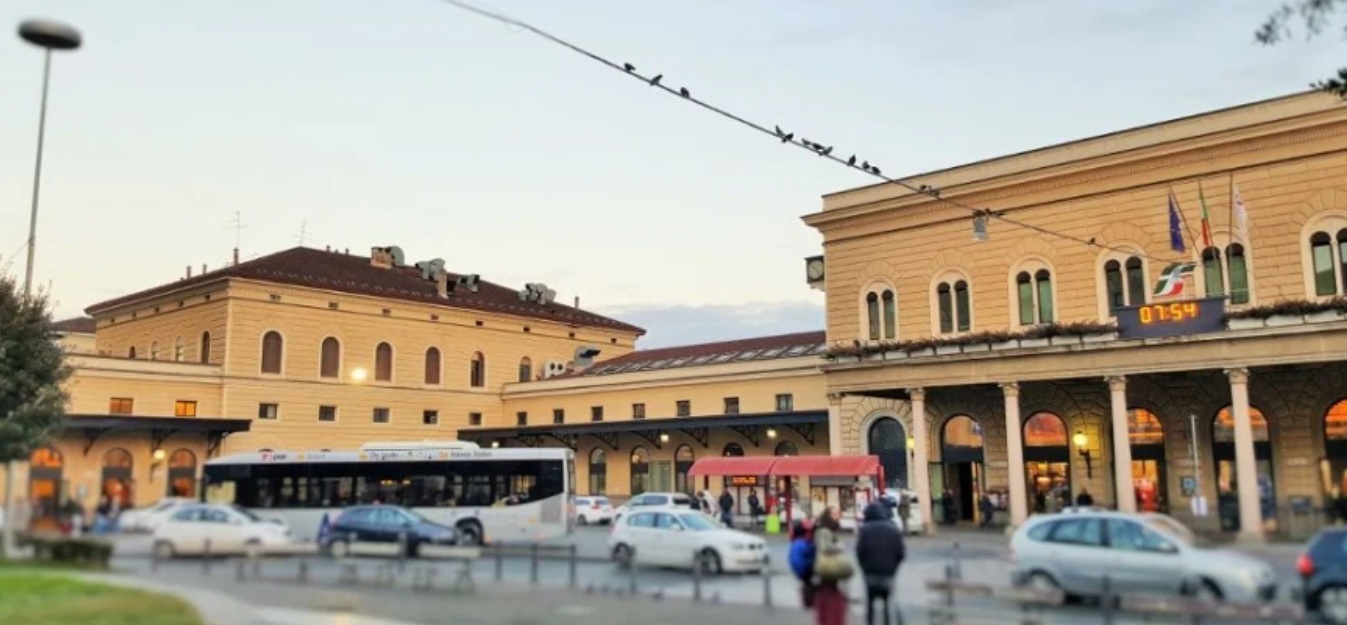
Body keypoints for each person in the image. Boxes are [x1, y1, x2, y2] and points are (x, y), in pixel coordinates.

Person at [856, 501, 905, 625]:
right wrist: (893, 568)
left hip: (871, 574)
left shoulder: (865, 530)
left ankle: (870, 622)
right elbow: (900, 553)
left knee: (870, 603)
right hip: (888, 573)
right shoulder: (893, 529)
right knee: (888, 604)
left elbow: (860, 552)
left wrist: (865, 568)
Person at [812, 507, 849, 625]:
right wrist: (839, 546)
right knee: (829, 595)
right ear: (827, 515)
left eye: (837, 513)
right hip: (827, 567)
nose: (836, 515)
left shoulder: (830, 529)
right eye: (833, 513)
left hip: (830, 565)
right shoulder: (824, 530)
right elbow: (823, 547)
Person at [787, 519, 816, 608]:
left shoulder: (801, 544)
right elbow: (799, 564)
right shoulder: (801, 545)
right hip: (809, 578)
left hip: (808, 578)